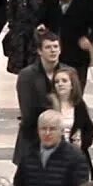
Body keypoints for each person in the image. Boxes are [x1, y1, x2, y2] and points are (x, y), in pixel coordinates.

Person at [40, 0, 93, 84]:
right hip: (56, 57)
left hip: (77, 57)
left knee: (76, 95)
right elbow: (43, 20)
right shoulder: (51, 2)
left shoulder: (86, 4)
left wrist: (90, 38)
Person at [13, 32, 61, 163]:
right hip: (33, 139)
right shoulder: (27, 76)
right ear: (39, 51)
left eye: (56, 47)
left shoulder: (68, 73)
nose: (53, 50)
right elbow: (28, 113)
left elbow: (75, 102)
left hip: (63, 138)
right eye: (48, 47)